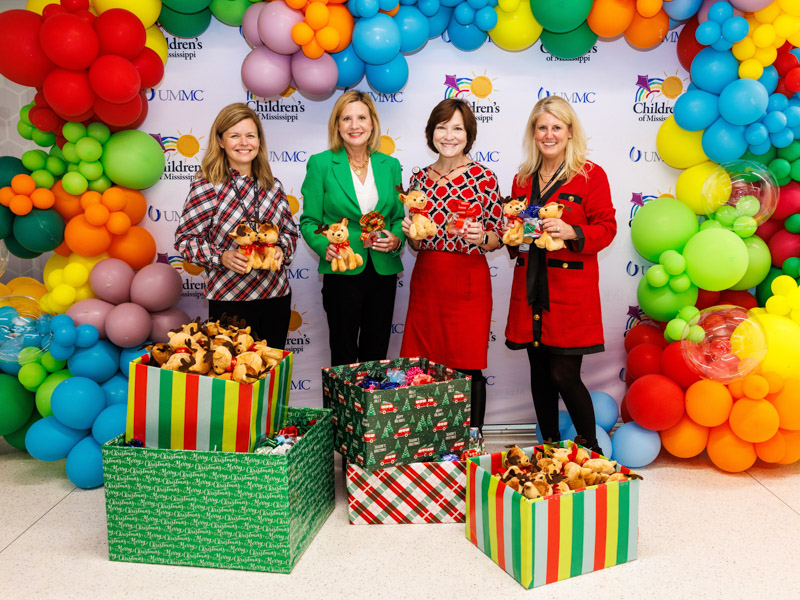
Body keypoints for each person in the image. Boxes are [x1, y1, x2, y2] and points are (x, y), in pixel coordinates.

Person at [503, 96, 617, 453]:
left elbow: (607, 228)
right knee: (539, 374)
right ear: (533, 133)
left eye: (556, 127)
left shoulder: (590, 175)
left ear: (570, 132)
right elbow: (516, 231)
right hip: (531, 287)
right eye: (542, 128)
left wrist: (571, 232)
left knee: (563, 374)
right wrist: (514, 236)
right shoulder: (522, 178)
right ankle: (549, 450)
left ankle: (593, 452)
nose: (548, 134)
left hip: (570, 292)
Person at [399, 98, 503, 432]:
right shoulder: (419, 178)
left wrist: (480, 236)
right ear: (431, 133)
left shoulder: (484, 178)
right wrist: (410, 233)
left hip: (468, 282)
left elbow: (499, 237)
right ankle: (427, 440)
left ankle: (472, 444)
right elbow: (418, 241)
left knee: (468, 366)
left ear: (469, 134)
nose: (449, 135)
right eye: (442, 127)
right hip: (428, 279)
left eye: (457, 128)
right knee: (423, 367)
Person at [174, 103, 298, 348]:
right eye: (234, 135)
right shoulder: (206, 187)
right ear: (220, 141)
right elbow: (185, 240)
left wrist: (283, 248)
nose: (244, 142)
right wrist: (222, 256)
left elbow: (290, 233)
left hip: (276, 297)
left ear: (259, 141)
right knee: (235, 381)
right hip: (229, 301)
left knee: (271, 378)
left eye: (250, 135)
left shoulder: (273, 186)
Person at [299, 90, 405, 367]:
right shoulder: (321, 164)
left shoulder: (390, 165)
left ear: (372, 124)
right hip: (342, 270)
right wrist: (326, 247)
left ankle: (369, 409)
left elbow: (398, 217)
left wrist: (396, 240)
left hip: (382, 271)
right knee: (343, 353)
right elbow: (309, 221)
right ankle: (340, 411)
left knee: (377, 351)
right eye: (346, 118)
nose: (354, 125)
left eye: (361, 118)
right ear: (337, 125)